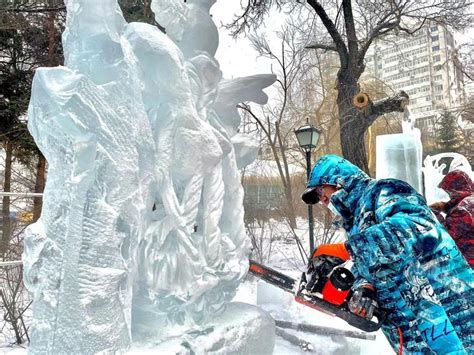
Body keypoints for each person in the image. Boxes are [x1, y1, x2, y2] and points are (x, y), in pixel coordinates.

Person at [301, 154, 473, 354]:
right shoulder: (356, 223)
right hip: (413, 336)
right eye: (317, 196)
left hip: (452, 316)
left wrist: (347, 249)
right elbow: (371, 266)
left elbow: (419, 227)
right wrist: (364, 289)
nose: (322, 200)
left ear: (340, 180)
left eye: (321, 190)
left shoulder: (383, 191)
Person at [430, 170, 473, 268]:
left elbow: (445, 234)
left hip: (468, 264)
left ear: (456, 190)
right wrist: (446, 207)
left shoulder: (463, 208)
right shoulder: (468, 203)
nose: (449, 196)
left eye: (449, 192)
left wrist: (434, 213)